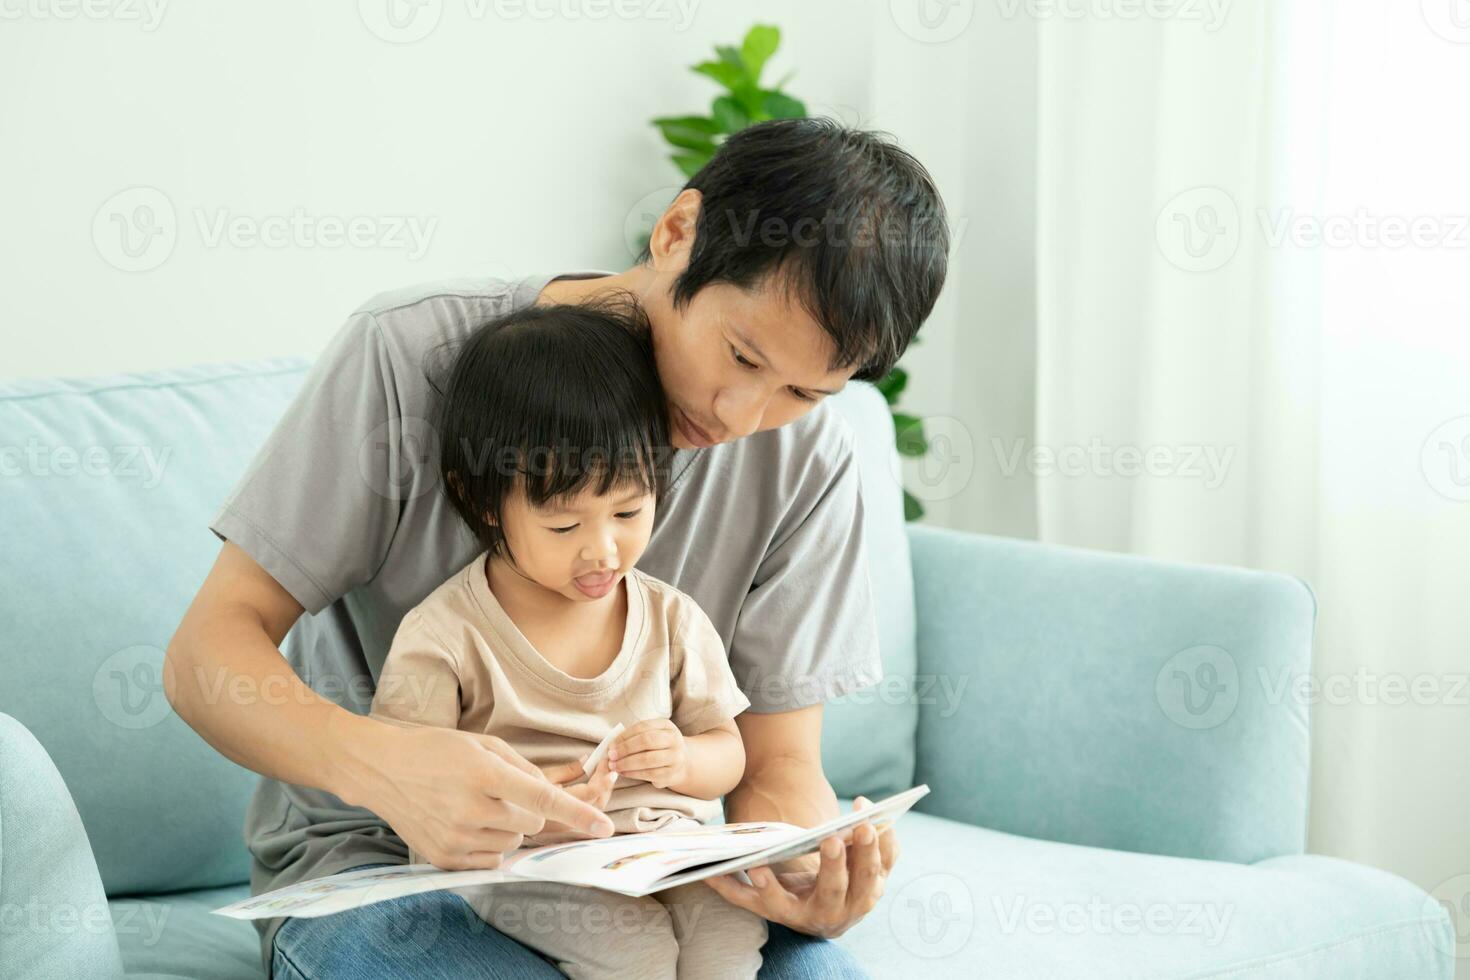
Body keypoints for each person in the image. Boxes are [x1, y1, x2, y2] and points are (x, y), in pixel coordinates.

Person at [163, 116, 949, 979]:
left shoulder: (809, 459)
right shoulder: (410, 355)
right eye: (739, 354)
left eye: (803, 390)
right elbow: (208, 651)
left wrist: (806, 866)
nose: (741, 417)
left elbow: (779, 764)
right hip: (391, 874)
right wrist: (385, 768)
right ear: (677, 232)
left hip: (657, 871)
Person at [367, 300, 766, 978]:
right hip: (530, 864)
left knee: (728, 932)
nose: (603, 551)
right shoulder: (445, 636)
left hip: (669, 849)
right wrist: (530, 805)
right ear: (484, 502)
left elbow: (728, 754)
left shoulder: (671, 618)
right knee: (633, 950)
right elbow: (411, 792)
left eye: (629, 511)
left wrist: (682, 761)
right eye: (563, 527)